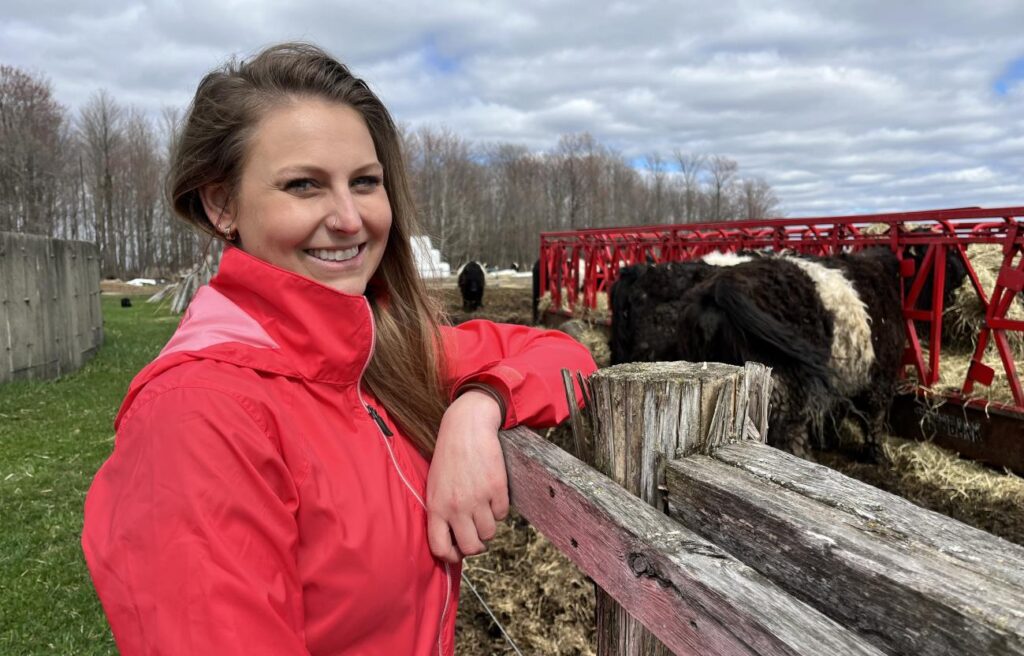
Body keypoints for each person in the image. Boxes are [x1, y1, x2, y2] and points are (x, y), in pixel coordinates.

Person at [82, 42, 597, 655]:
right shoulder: (199, 417)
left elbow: (567, 355)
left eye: (365, 182)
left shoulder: (378, 352)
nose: (350, 218)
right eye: (304, 185)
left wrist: (479, 404)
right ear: (222, 204)